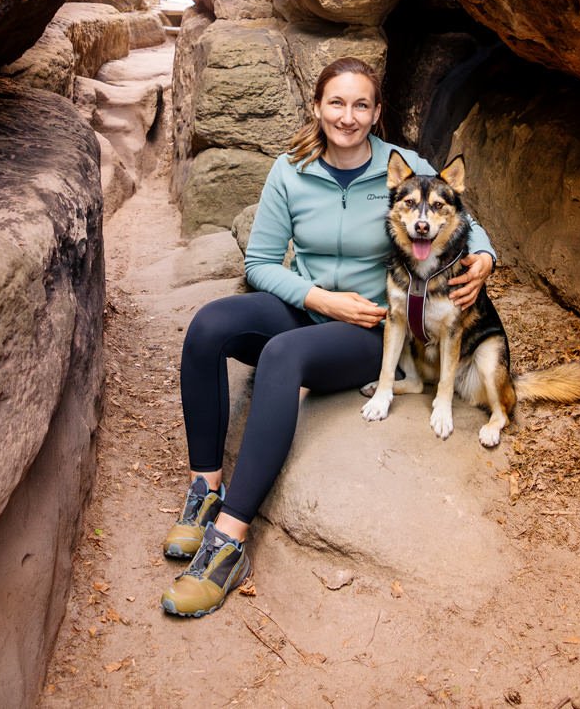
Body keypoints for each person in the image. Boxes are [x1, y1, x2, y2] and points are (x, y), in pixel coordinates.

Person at [160, 56, 496, 618]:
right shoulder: (290, 169)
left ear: (377, 111)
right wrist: (316, 298)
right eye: (336, 103)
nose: (348, 116)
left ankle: (230, 539)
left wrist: (484, 255)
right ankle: (205, 488)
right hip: (310, 306)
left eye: (361, 104)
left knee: (282, 356)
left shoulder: (401, 164)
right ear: (318, 107)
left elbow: (457, 209)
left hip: (369, 328)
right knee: (207, 327)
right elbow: (263, 263)